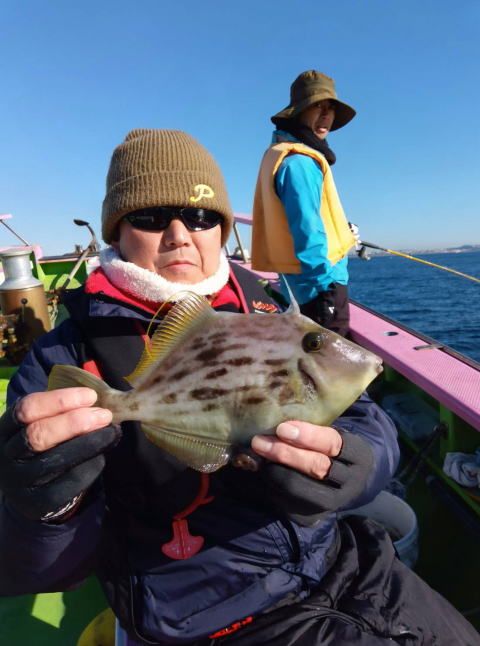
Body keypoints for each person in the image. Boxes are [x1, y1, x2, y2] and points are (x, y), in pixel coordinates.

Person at [0, 129, 477, 646]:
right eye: (151, 217)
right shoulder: (65, 354)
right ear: (117, 232)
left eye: (200, 216)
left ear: (222, 231)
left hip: (341, 565)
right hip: (200, 617)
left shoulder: (268, 307)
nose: (180, 235)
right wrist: (41, 507)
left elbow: (364, 421)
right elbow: (32, 570)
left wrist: (357, 463)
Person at [251, 70, 358, 337]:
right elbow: (307, 228)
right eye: (317, 106)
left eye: (330, 108)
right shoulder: (300, 162)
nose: (326, 115)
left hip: (302, 285)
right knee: (328, 356)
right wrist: (324, 291)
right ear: (299, 112)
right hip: (319, 286)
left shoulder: (284, 155)